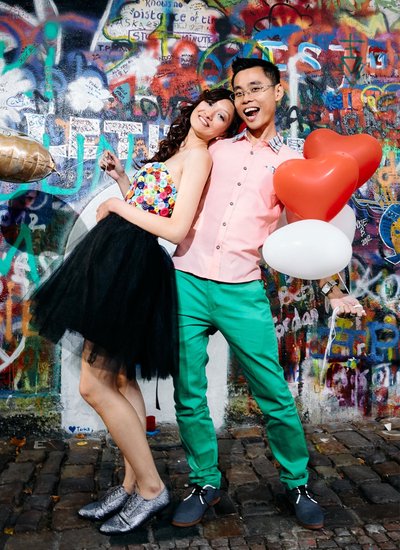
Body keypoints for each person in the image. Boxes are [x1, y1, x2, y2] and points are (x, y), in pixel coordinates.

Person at [30, 88, 239, 535]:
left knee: (93, 386)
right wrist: (124, 179)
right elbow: (151, 205)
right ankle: (129, 484)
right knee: (120, 379)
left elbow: (177, 228)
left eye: (223, 116)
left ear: (226, 130)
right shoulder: (181, 152)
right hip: (119, 255)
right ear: (196, 106)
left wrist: (117, 204)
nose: (212, 115)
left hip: (132, 264)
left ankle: (150, 488)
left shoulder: (201, 158)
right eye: (210, 105)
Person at [171, 58, 366, 531]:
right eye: (238, 92)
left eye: (256, 88)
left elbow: (307, 228)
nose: (246, 99)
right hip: (187, 280)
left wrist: (334, 289)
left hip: (242, 289)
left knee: (274, 394)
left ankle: (296, 482)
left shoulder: (294, 164)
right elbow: (167, 190)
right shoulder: (214, 150)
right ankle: (203, 481)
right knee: (188, 392)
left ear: (278, 93)